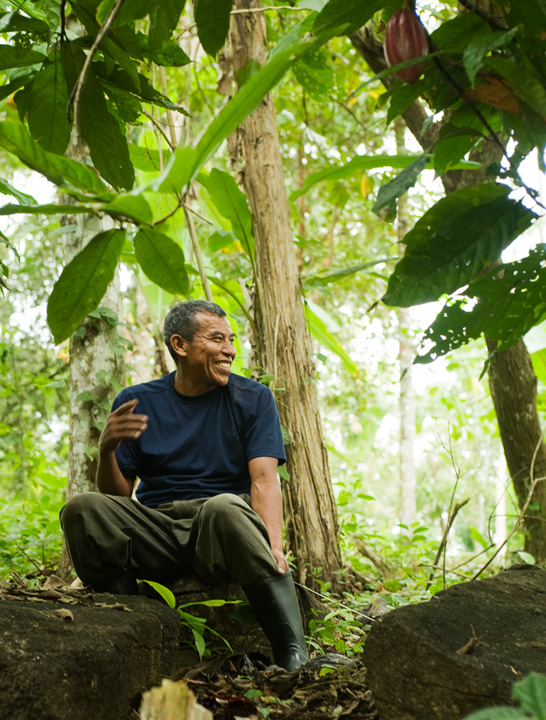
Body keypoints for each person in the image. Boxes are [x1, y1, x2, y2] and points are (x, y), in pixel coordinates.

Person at [60, 299, 309, 672]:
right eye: (217, 339)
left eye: (232, 339)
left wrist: (272, 544)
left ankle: (293, 652)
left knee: (225, 506)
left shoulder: (253, 399)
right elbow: (118, 499)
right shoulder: (136, 401)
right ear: (180, 345)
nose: (230, 350)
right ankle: (127, 623)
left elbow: (264, 479)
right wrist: (107, 449)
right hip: (157, 528)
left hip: (219, 530)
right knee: (81, 508)